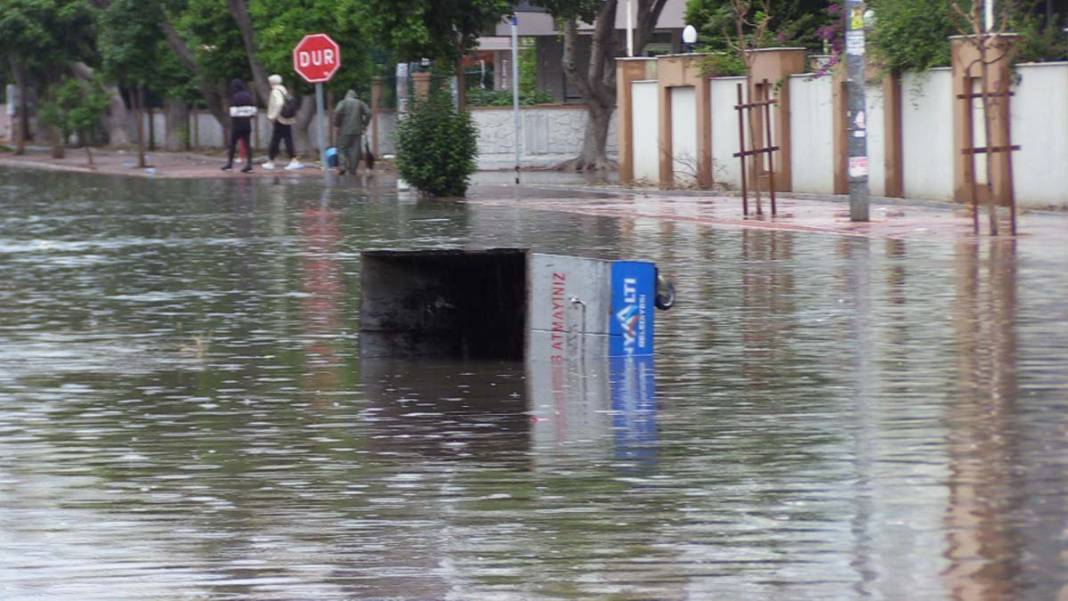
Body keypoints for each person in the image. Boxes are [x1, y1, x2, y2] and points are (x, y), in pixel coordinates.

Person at [264, 74, 302, 170]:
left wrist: (273, 116)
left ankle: (273, 161)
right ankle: (273, 160)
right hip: (287, 118)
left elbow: (279, 103)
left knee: (277, 139)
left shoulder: (275, 91)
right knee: (284, 138)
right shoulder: (283, 89)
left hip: (280, 118)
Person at [333, 89, 370, 175]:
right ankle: (353, 170)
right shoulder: (360, 103)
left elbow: (337, 111)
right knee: (355, 151)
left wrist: (337, 124)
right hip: (357, 131)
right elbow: (368, 113)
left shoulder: (343, 102)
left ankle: (342, 166)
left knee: (341, 148)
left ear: (346, 96)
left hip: (344, 130)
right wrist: (364, 124)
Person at [222, 79, 256, 173]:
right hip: (247, 123)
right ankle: (249, 164)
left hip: (237, 124)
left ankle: (229, 164)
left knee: (232, 144)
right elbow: (253, 111)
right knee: (247, 144)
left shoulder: (235, 97)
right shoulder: (249, 96)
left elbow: (233, 112)